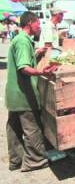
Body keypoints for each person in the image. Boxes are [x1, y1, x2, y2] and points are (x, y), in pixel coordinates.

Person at [5, 11, 54, 172]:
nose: (39, 26)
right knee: (32, 127)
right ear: (29, 23)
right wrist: (42, 72)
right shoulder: (23, 41)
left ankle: (16, 160)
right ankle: (35, 161)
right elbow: (24, 68)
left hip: (13, 94)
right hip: (23, 93)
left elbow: (22, 59)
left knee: (14, 128)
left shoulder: (19, 39)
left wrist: (35, 53)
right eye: (38, 23)